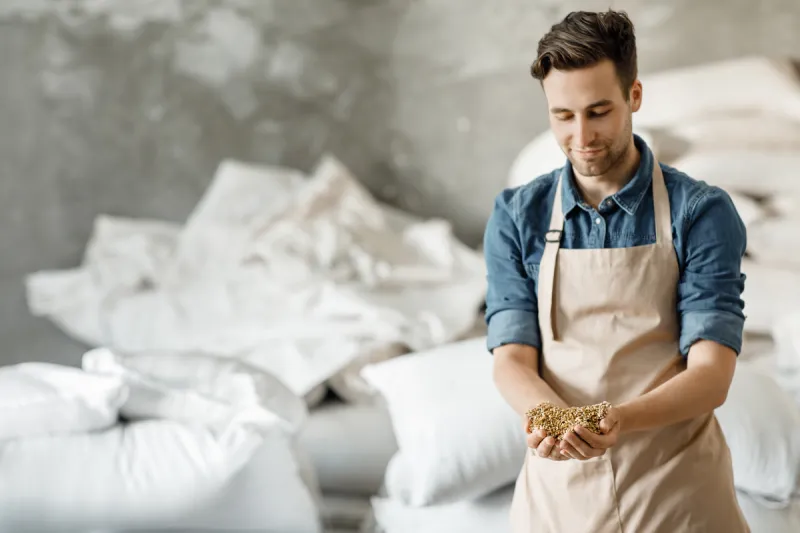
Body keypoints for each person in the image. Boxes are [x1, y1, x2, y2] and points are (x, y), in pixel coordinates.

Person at [483, 9, 751, 533]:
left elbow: (711, 375)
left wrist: (617, 420)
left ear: (634, 97)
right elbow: (512, 357)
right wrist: (552, 419)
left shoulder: (700, 212)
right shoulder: (518, 215)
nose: (581, 134)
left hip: (679, 495)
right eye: (562, 115)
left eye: (598, 111)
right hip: (558, 498)